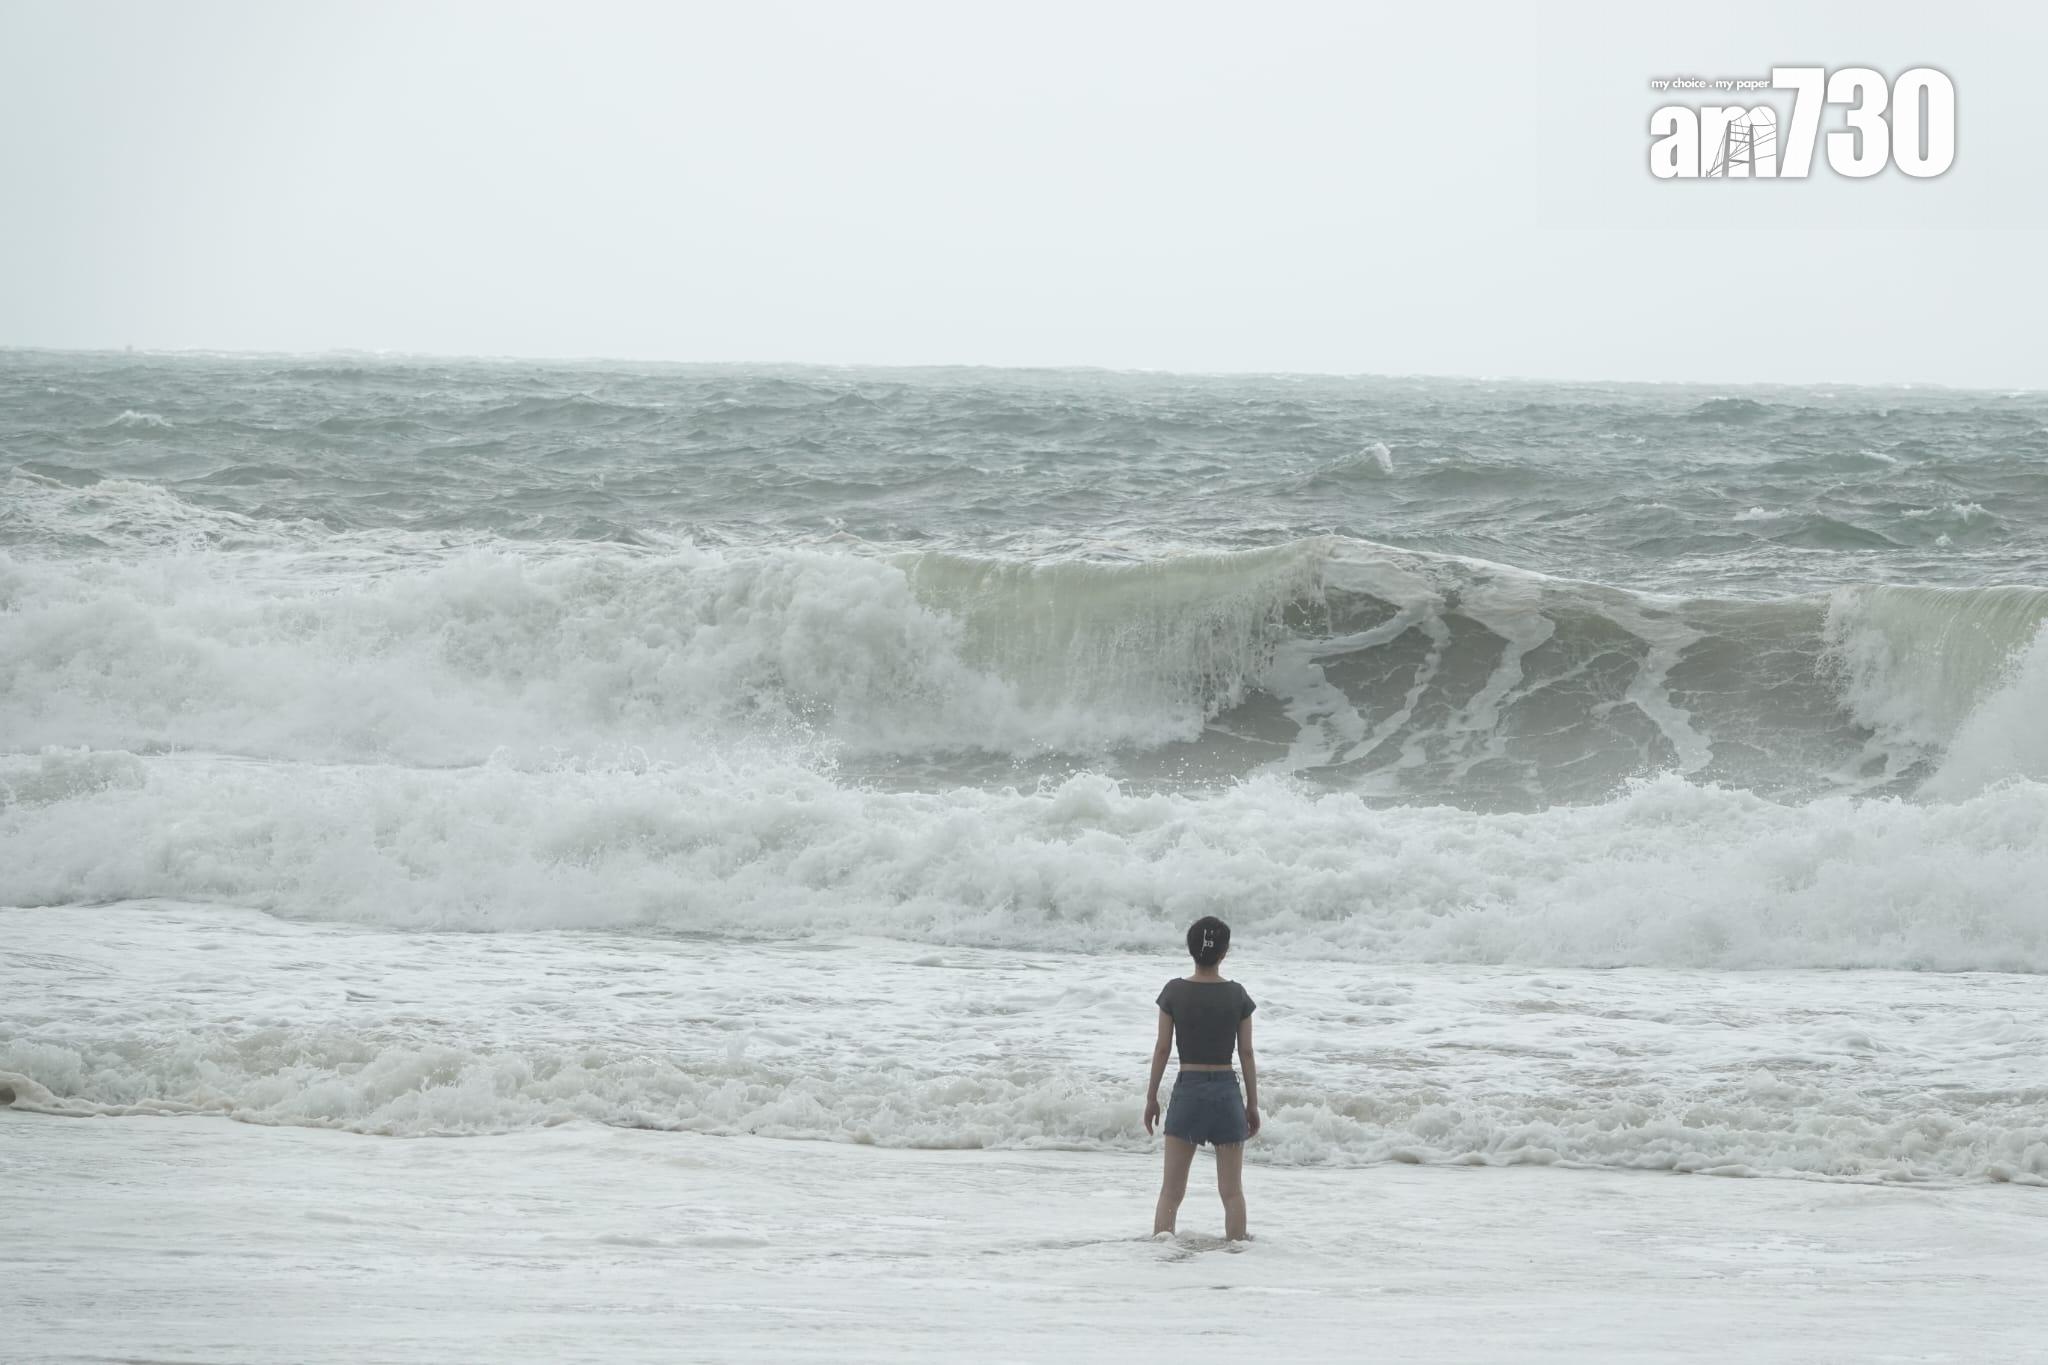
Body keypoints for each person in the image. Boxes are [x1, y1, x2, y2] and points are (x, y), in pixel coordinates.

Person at [1143, 914, 1259, 1240]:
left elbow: (1163, 1049)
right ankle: (1236, 1250)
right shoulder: (1237, 995)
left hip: (1188, 1090)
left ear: (1190, 950)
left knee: (1171, 1192)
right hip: (1226, 1092)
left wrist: (1152, 1097)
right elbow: (1246, 1053)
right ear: (1224, 953)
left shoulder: (1174, 992)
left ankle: (1162, 1250)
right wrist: (1252, 1103)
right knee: (1232, 1192)